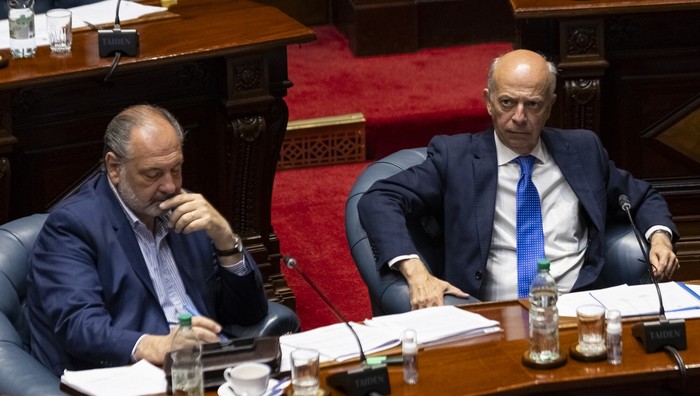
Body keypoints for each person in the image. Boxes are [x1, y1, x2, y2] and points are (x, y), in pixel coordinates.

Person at [358, 49, 679, 310]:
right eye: (507, 102)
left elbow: (640, 196)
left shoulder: (582, 150)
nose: (519, 117)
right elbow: (379, 199)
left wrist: (661, 239)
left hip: (576, 309)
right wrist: (416, 273)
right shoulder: (455, 157)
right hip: (488, 312)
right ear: (488, 101)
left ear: (550, 105)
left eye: (533, 104)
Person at [27, 104, 299, 376]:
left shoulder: (187, 213)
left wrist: (226, 240)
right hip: (136, 377)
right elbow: (79, 326)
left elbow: (248, 314)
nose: (170, 186)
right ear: (114, 167)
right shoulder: (72, 226)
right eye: (153, 174)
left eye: (176, 169)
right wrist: (155, 346)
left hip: (212, 365)